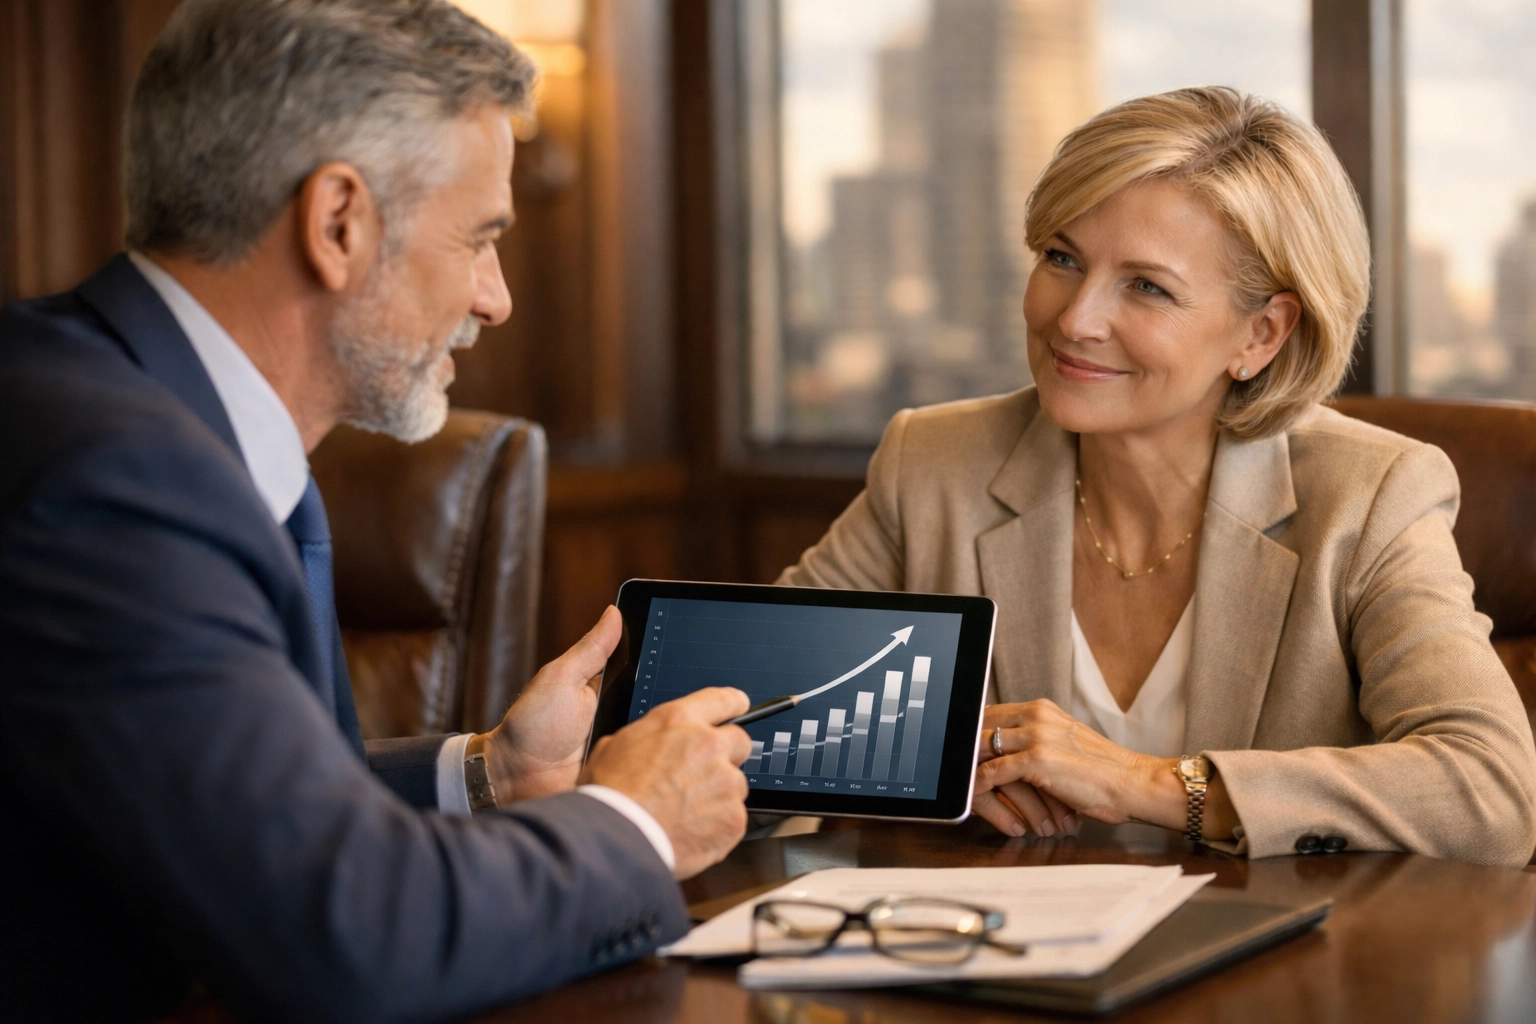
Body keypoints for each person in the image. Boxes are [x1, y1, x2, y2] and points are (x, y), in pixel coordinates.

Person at [0, 2, 750, 1021]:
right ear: (339, 223)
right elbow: (345, 927)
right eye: (480, 237)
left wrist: (489, 772)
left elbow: (249, 813)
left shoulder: (131, 410)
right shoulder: (118, 482)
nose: (496, 298)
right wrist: (636, 821)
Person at [778, 87, 1536, 869]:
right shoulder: (935, 462)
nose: (1075, 319)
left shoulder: (1371, 497)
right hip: (1001, 936)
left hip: (1269, 943)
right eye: (1062, 259)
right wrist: (929, 753)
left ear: (1261, 334)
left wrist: (1141, 783)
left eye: (1147, 286)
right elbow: (742, 717)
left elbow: (1492, 793)